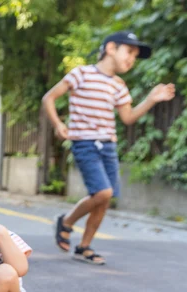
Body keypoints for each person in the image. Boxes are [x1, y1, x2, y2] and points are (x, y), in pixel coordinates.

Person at [41, 31, 175, 265]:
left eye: (135, 55)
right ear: (111, 48)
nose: (132, 59)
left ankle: (84, 246)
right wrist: (58, 123)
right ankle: (67, 222)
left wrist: (152, 99)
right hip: (84, 143)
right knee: (103, 192)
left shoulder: (119, 85)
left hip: (108, 146)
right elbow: (48, 98)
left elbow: (129, 117)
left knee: (105, 199)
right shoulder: (81, 74)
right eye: (129, 52)